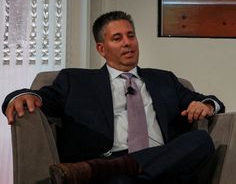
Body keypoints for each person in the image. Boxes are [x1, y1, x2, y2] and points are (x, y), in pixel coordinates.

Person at [3, 11, 224, 183]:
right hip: (109, 167)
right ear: (101, 48)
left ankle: (115, 166)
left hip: (161, 165)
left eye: (131, 36)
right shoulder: (75, 81)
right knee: (118, 179)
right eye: (117, 38)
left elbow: (208, 100)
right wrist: (22, 95)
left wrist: (206, 105)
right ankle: (115, 166)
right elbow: (41, 98)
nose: (127, 43)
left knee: (201, 140)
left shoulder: (164, 79)